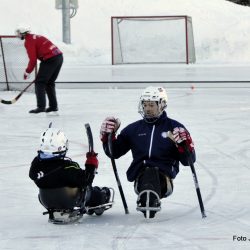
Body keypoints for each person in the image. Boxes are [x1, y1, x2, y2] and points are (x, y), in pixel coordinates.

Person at [100, 86, 196, 219]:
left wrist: (185, 146)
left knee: (152, 172)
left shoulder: (174, 128)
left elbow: (188, 161)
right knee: (147, 172)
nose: (147, 109)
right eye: (145, 105)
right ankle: (147, 198)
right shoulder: (133, 129)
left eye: (151, 105)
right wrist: (107, 138)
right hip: (140, 178)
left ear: (162, 105)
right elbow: (114, 152)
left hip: (164, 180)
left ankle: (149, 199)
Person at [29, 126, 112, 222]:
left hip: (47, 201)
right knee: (90, 190)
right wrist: (91, 163)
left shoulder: (36, 164)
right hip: (70, 199)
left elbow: (34, 175)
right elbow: (86, 179)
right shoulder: (67, 168)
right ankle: (100, 197)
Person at [15, 24, 63, 114]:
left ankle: (41, 107)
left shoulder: (28, 41)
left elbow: (33, 59)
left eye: (18, 33)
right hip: (58, 57)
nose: (17, 35)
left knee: (40, 82)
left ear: (23, 32)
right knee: (49, 83)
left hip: (50, 59)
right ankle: (53, 106)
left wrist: (27, 72)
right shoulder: (36, 36)